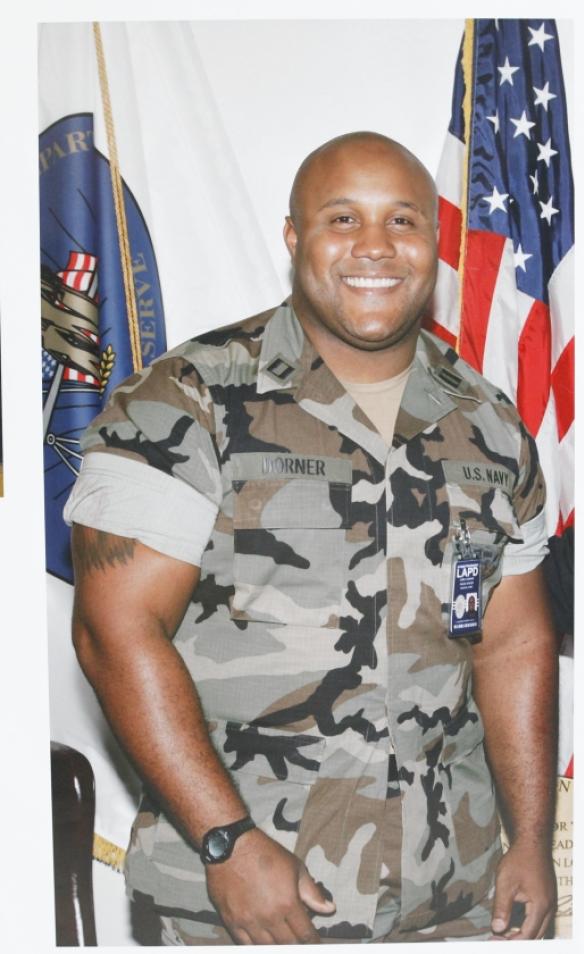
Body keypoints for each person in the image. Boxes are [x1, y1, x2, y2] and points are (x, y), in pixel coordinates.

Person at [66, 131, 558, 944]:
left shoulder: (491, 427)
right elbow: (114, 631)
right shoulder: (185, 402)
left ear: (434, 245)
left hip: (449, 895)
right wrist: (226, 840)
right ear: (294, 238)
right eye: (342, 218)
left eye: (401, 220)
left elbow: (512, 643)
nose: (375, 245)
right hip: (246, 901)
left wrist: (530, 839)